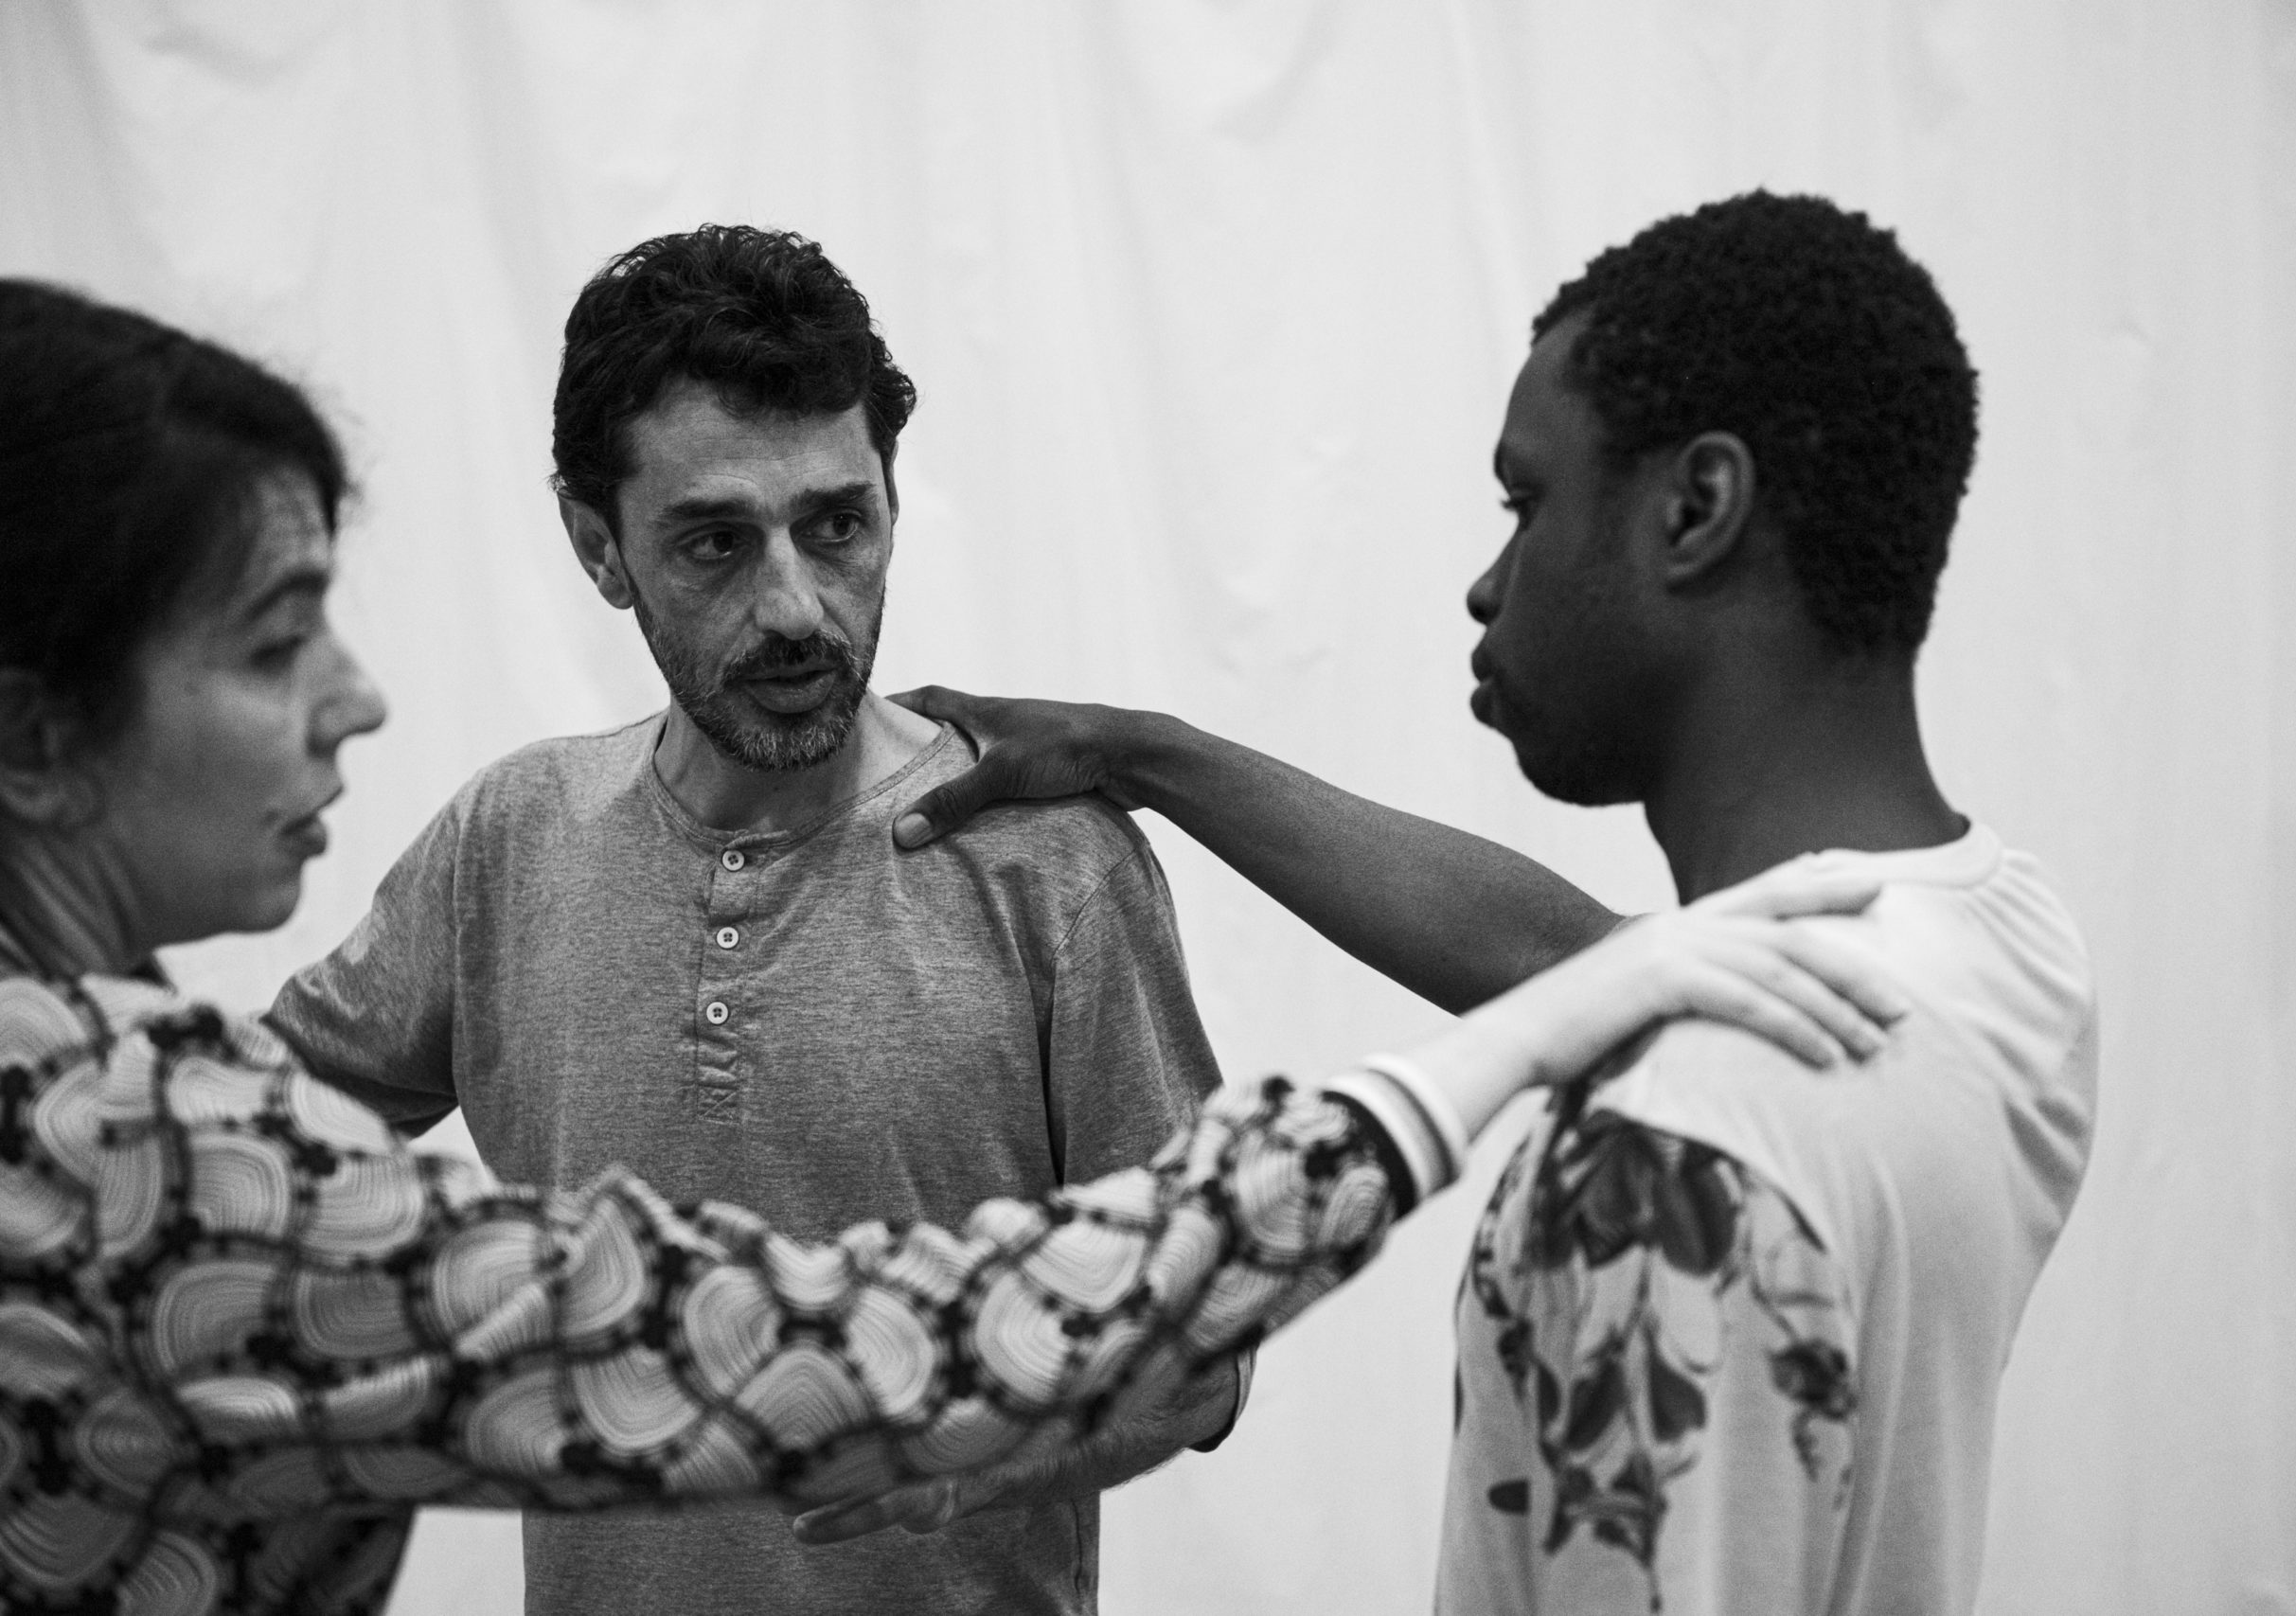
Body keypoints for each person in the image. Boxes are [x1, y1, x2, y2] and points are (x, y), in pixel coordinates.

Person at [0, 280, 1907, 1613]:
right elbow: (749, 1341)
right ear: (599, 542)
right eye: (712, 543)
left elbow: (1180, 1355)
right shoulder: (226, 1083)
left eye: (839, 526)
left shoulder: (1043, 854)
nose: (796, 605)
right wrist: (1512, 1039)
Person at [851, 192, 2100, 1614]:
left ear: (1698, 509)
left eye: (1528, 503)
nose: (1487, 584)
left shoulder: (1662, 1161)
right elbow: (1577, 963)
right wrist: (1145, 754)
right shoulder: (1992, 948)